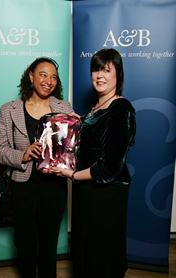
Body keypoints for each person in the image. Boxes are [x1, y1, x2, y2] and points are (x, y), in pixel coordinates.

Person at [50, 48, 136, 277]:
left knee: (102, 254)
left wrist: (71, 175)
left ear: (118, 74)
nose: (100, 75)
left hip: (106, 195)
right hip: (87, 192)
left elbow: (109, 167)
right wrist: (77, 122)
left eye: (106, 70)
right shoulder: (96, 108)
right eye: (96, 70)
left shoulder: (120, 110)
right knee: (87, 251)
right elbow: (89, 140)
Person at [0, 57, 74, 278]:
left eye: (54, 77)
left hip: (54, 186)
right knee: (25, 245)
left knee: (49, 247)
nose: (48, 80)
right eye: (43, 74)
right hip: (21, 187)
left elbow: (71, 147)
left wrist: (77, 127)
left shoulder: (64, 108)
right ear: (30, 76)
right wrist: (23, 155)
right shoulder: (9, 110)